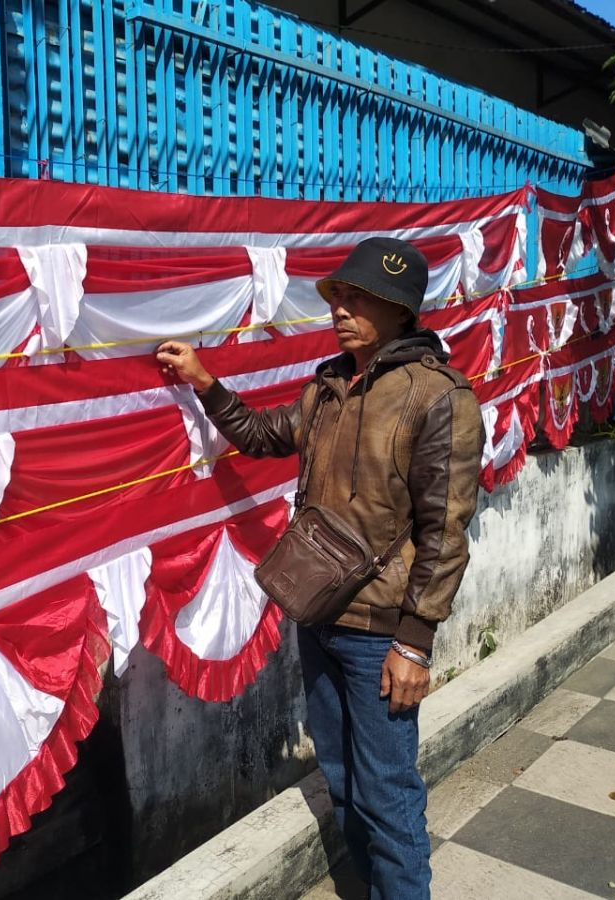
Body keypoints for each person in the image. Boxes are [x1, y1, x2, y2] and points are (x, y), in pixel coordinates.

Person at [155, 237, 484, 900]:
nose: (341, 308)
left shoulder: (439, 397)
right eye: (341, 295)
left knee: (387, 792)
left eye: (360, 298)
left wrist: (413, 644)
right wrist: (205, 381)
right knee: (340, 776)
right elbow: (261, 436)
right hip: (319, 615)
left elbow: (445, 534)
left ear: (400, 311)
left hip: (380, 634)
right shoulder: (328, 386)